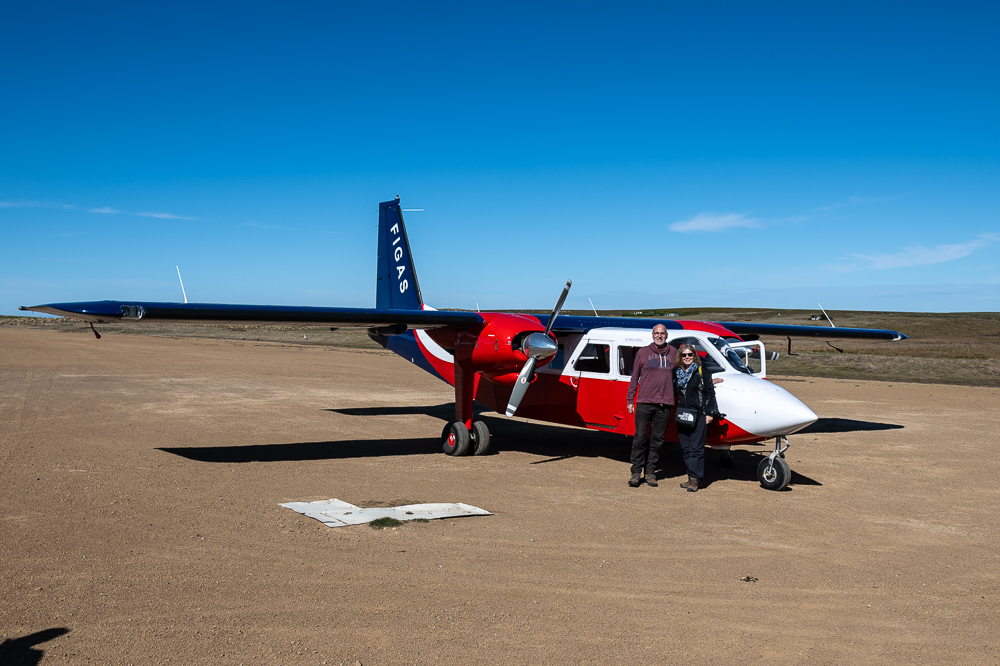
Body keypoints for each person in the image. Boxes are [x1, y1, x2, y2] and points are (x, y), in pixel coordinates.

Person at [625, 324, 677, 487]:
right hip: (644, 402)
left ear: (666, 335)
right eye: (656, 333)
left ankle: (650, 472)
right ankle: (635, 472)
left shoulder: (674, 353)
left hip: (664, 403)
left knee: (657, 440)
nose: (659, 336)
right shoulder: (643, 352)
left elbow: (685, 372)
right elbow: (634, 377)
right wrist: (630, 399)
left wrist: (707, 380)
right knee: (639, 438)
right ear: (652, 335)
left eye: (662, 333)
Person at [673, 343, 719, 492]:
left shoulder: (702, 371)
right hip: (683, 415)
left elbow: (710, 393)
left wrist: (709, 413)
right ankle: (691, 476)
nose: (687, 357)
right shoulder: (677, 373)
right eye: (684, 355)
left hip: (699, 414)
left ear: (694, 356)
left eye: (690, 354)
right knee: (686, 448)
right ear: (680, 357)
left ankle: (696, 479)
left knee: (697, 448)